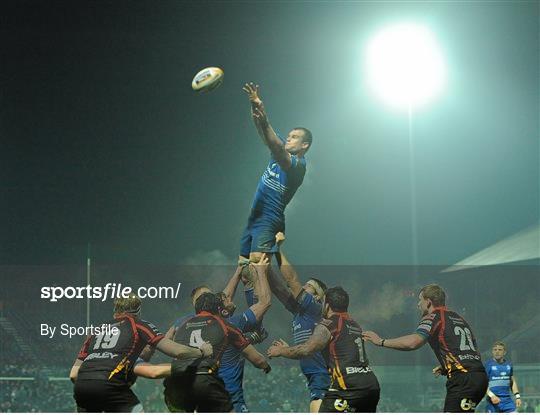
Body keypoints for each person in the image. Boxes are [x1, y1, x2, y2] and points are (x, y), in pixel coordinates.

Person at [70, 294, 211, 412]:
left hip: (82, 388)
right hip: (110, 386)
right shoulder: (138, 324)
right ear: (138, 312)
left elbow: (73, 374)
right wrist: (201, 351)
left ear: (115, 312)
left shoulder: (96, 331)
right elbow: (177, 352)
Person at [363, 284, 488, 412]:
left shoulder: (433, 317)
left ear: (428, 302)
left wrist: (381, 341)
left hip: (463, 379)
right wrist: (448, 365)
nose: (418, 304)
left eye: (420, 300)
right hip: (479, 377)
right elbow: (469, 350)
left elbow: (413, 342)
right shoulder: (459, 318)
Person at [267, 286, 380, 413]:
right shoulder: (354, 324)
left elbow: (307, 349)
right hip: (371, 386)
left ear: (327, 306)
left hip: (349, 387)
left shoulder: (329, 324)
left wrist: (281, 351)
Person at [239, 83, 312, 264]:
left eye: (294, 137)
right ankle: (289, 294)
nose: (288, 138)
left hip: (270, 218)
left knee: (257, 264)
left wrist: (265, 121)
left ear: (305, 145)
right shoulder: (280, 147)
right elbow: (262, 129)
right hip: (254, 217)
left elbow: (277, 148)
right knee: (247, 269)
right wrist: (255, 104)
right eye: (288, 135)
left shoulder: (299, 165)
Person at [164, 292, 271, 412]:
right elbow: (257, 359)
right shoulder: (224, 324)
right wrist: (265, 366)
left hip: (176, 385)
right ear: (218, 308)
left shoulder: (182, 325)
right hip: (204, 381)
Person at [267, 232, 330, 412]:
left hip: (322, 376)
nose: (303, 287)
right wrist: (263, 264)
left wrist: (277, 250)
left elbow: (291, 281)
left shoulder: (315, 307)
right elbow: (278, 288)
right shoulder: (299, 311)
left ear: (317, 295)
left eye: (308, 286)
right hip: (314, 376)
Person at [484, 341, 522, 413]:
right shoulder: (488, 365)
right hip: (492, 403)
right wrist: (492, 396)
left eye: (500, 350)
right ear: (492, 352)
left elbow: (512, 381)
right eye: (495, 350)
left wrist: (517, 397)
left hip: (507, 402)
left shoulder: (509, 365)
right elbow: (483, 384)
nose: (497, 352)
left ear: (504, 352)